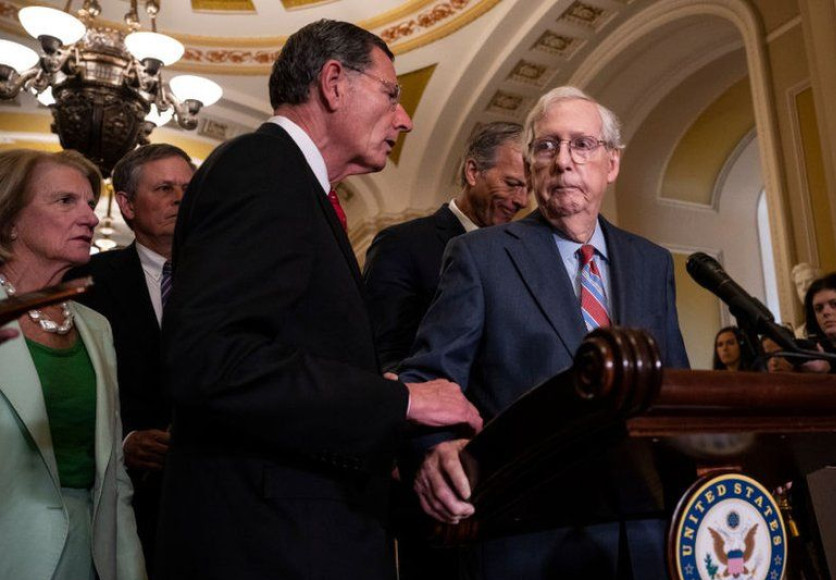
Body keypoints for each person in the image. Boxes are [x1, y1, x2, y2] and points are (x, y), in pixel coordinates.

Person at [158, 19, 482, 580]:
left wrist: (373, 393)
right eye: (390, 93)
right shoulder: (260, 169)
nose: (404, 119)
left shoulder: (295, 185)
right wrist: (403, 402)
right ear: (334, 83)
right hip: (264, 545)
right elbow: (211, 360)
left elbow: (279, 351)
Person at [399, 86, 689, 580]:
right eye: (547, 146)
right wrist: (434, 452)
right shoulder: (481, 256)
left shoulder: (652, 262)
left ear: (611, 164)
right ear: (532, 167)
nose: (563, 162)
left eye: (582, 144)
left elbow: (675, 385)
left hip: (643, 535)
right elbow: (431, 376)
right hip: (527, 534)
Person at [0, 149, 145, 580]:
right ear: (10, 220)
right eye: (66, 201)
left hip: (89, 551)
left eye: (89, 203)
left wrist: (130, 568)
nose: (91, 218)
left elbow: (114, 477)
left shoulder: (96, 326)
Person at [66, 143, 195, 573]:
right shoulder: (84, 283)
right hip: (128, 505)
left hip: (220, 498)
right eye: (164, 188)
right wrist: (123, 444)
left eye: (187, 187)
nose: (180, 198)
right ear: (126, 205)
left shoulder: (235, 281)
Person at [363, 121, 528, 372]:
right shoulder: (402, 244)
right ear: (473, 172)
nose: (522, 201)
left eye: (529, 189)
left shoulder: (521, 256)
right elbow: (384, 355)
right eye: (512, 184)